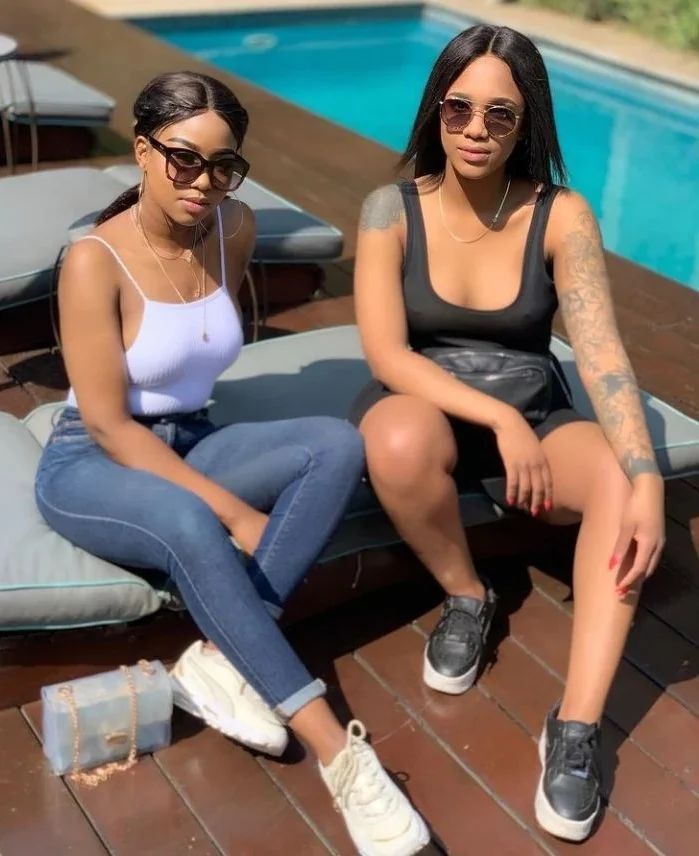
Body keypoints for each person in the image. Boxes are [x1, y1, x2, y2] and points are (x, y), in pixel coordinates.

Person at [35, 71, 429, 856]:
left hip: (190, 434)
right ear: (142, 151)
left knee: (334, 443)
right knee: (193, 518)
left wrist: (225, 497)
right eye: (184, 159)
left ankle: (221, 660)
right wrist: (236, 512)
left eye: (224, 166)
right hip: (92, 459)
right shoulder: (93, 261)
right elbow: (109, 424)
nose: (204, 182)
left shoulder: (232, 227)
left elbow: (195, 362)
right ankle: (341, 758)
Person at [351, 25, 664, 843]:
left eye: (500, 114)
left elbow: (601, 355)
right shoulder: (390, 209)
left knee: (616, 484)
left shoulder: (559, 214)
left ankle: (576, 727)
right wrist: (491, 417)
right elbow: (386, 354)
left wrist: (646, 478)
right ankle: (466, 595)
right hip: (428, 410)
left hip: (534, 414)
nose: (475, 130)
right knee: (394, 439)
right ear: (435, 109)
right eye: (458, 108)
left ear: (526, 124)